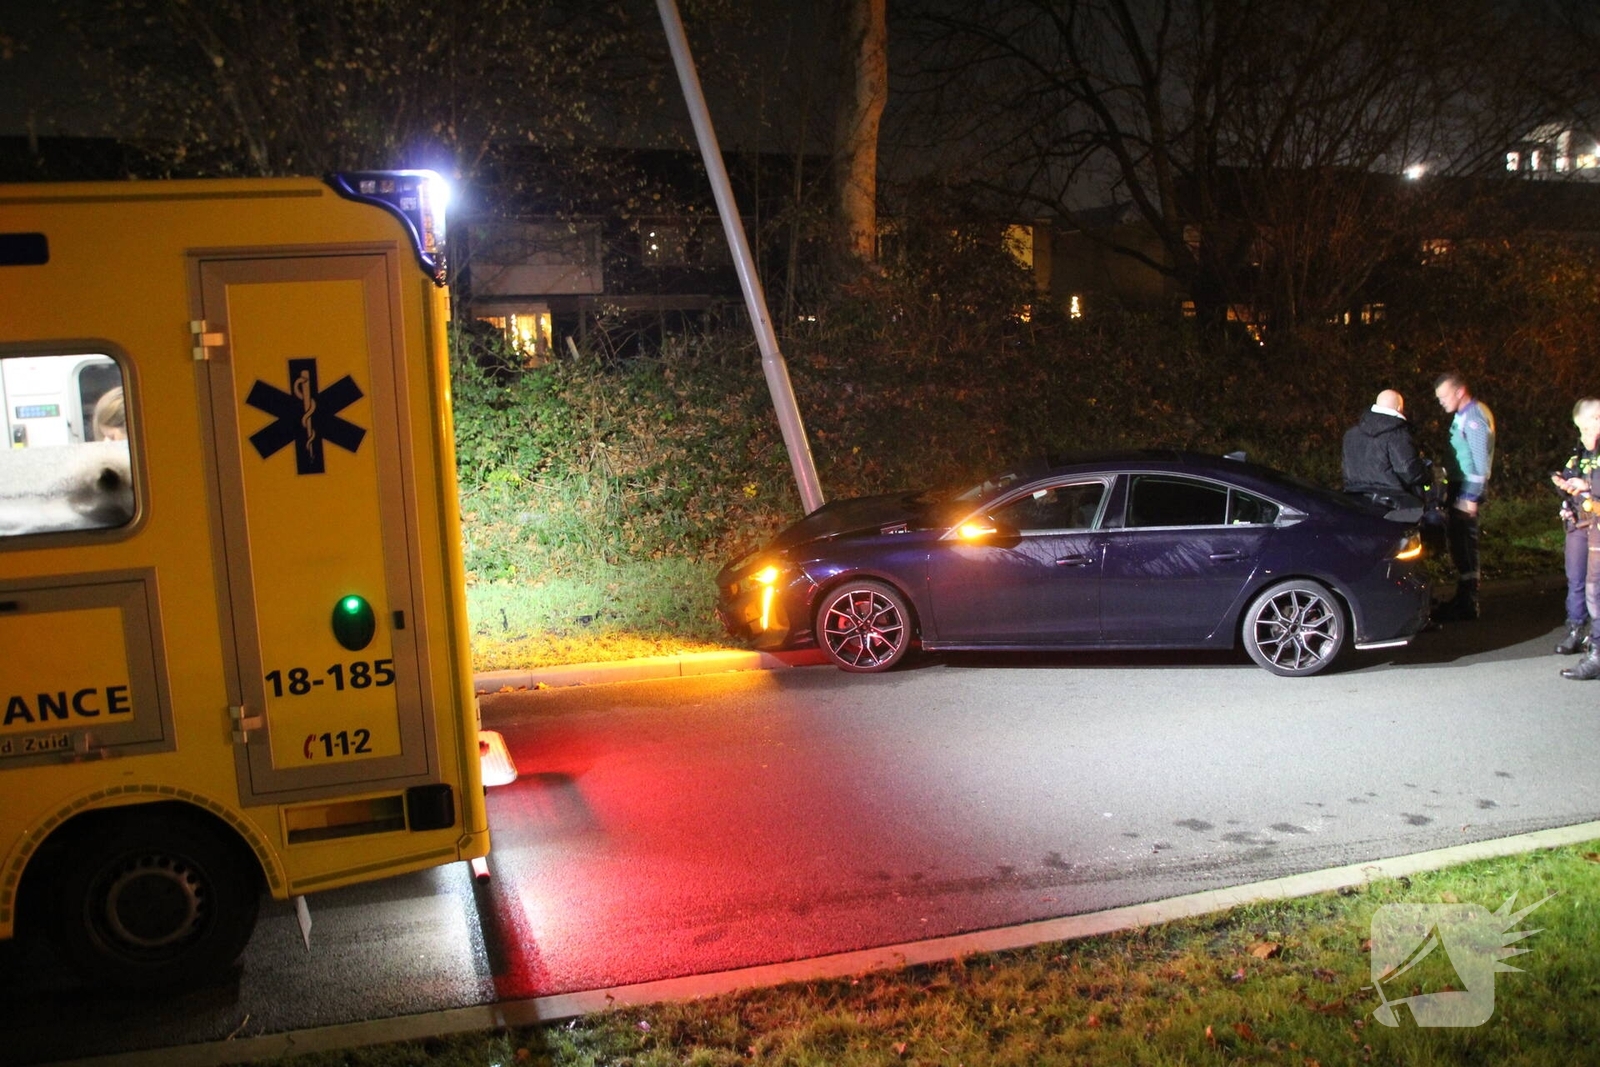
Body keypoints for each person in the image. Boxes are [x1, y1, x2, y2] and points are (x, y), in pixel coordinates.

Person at [1432, 372, 1495, 621]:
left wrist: (1470, 496)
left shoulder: (1474, 417)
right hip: (1460, 485)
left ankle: (1469, 601)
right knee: (1458, 542)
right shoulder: (1462, 414)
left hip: (1468, 487)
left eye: (1444, 396)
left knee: (1465, 543)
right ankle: (1463, 596)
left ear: (1460, 391)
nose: (1441, 402)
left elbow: (1480, 463)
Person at [1552, 398, 1600, 662]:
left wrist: (1586, 486)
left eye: (1585, 428)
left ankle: (1595, 639)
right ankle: (1576, 629)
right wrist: (1565, 494)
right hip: (1579, 524)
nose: (1583, 435)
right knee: (1577, 579)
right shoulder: (1580, 454)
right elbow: (1569, 477)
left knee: (1596, 587)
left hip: (1596, 524)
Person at [1342, 389, 1431, 513]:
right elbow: (1409, 472)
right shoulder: (1398, 435)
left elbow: (1347, 472)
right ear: (1399, 408)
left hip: (1357, 502)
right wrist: (1426, 473)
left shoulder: (1350, 435)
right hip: (1393, 506)